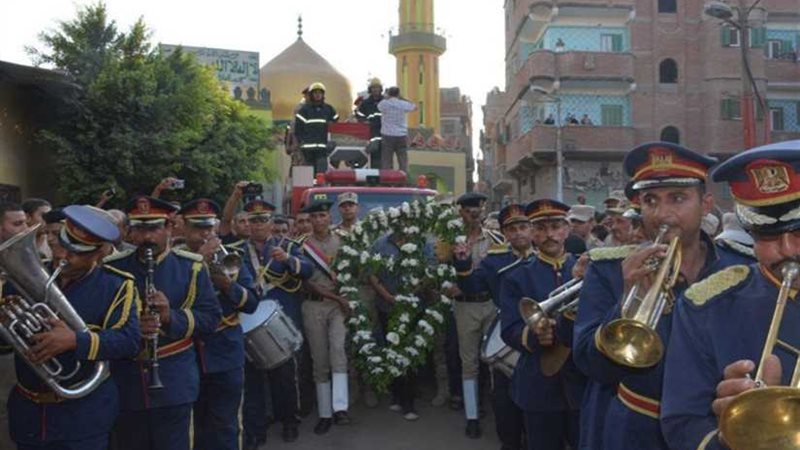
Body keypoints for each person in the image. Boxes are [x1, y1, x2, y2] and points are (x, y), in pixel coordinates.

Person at [572, 142, 754, 450]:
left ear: (706, 204)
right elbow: (591, 366)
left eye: (678, 198)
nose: (662, 214)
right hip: (635, 428)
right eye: (650, 200)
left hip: (711, 431)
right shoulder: (608, 269)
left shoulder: (741, 267)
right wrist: (628, 302)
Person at [661, 140, 800, 450]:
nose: (788, 250)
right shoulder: (707, 306)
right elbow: (683, 423)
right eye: (768, 235)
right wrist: (737, 432)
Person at [5, 205, 140, 450]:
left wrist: (76, 340)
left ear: (100, 252)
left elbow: (129, 341)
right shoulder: (20, 281)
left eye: (77, 252)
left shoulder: (117, 286)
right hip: (29, 414)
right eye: (63, 245)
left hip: (83, 417)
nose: (64, 256)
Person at [106, 196, 221, 450]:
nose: (146, 237)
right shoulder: (112, 268)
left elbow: (211, 319)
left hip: (174, 381)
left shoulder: (191, 267)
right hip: (126, 380)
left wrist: (170, 317)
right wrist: (133, 329)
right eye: (139, 229)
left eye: (154, 228)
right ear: (130, 231)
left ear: (169, 228)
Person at [499, 200, 586, 450]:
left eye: (556, 226)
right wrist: (534, 335)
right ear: (533, 234)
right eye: (541, 228)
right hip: (539, 384)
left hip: (580, 380)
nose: (549, 234)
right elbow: (510, 329)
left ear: (567, 230)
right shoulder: (516, 276)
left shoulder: (586, 268)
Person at [176, 199, 259, 450]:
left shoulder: (234, 257)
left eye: (209, 227)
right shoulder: (174, 261)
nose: (205, 234)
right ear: (184, 228)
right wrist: (199, 262)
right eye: (198, 228)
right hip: (188, 353)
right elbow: (173, 301)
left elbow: (252, 302)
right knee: (195, 427)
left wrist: (226, 284)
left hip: (225, 353)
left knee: (226, 425)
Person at [454, 203, 535, 450]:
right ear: (505, 234)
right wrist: (463, 264)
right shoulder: (496, 260)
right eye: (512, 229)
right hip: (507, 336)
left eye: (523, 227)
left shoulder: (547, 254)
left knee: (536, 400)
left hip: (539, 335)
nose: (518, 233)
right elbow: (472, 286)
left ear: (531, 230)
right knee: (505, 399)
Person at [368, 221, 437, 421]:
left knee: (410, 351)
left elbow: (430, 271)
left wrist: (409, 295)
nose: (403, 226)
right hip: (386, 306)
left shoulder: (422, 243)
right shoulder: (380, 244)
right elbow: (372, 273)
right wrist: (388, 296)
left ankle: (410, 402)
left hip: (414, 307)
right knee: (392, 350)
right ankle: (397, 395)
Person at [450, 192, 505, 439]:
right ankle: (472, 416)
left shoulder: (495, 240)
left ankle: (499, 411)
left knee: (494, 359)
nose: (475, 214)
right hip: (463, 307)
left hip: (489, 304)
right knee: (469, 362)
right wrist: (446, 287)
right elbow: (437, 270)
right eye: (470, 210)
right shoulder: (449, 239)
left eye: (478, 210)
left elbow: (499, 272)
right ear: (460, 212)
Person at [300, 198, 351, 434]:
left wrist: (345, 297)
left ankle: (340, 407)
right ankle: (324, 413)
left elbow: (353, 272)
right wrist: (338, 299)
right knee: (319, 359)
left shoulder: (343, 241)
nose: (319, 220)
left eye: (323, 216)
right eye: (314, 217)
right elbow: (308, 285)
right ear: (309, 221)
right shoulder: (302, 247)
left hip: (337, 306)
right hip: (315, 306)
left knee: (338, 351)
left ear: (330, 217)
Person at [295, 82, 339, 175]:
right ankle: (311, 189)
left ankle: (320, 189)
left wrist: (333, 141)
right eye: (315, 93)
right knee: (309, 174)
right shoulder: (304, 110)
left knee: (321, 173)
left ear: (323, 94)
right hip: (308, 149)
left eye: (320, 93)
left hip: (323, 149)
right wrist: (301, 142)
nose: (318, 95)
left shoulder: (328, 109)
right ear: (311, 95)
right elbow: (298, 129)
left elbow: (336, 123)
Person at [377, 86, 416, 173]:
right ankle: (403, 177)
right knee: (402, 159)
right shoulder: (403, 104)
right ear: (398, 94)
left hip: (387, 134)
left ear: (389, 93)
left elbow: (379, 107)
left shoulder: (384, 103)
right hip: (401, 135)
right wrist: (403, 98)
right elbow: (414, 106)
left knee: (386, 159)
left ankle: (387, 178)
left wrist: (386, 97)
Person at [356, 78, 384, 168]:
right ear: (370, 89)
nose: (375, 89)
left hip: (385, 133)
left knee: (385, 158)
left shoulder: (386, 102)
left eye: (377, 87)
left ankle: (383, 177)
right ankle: (373, 176)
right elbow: (359, 114)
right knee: (374, 155)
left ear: (381, 89)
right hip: (372, 134)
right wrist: (364, 120)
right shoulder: (366, 103)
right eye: (373, 88)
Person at [22, 198, 52, 262]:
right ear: (27, 217)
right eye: (44, 216)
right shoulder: (15, 244)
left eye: (49, 216)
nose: (48, 220)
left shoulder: (53, 242)